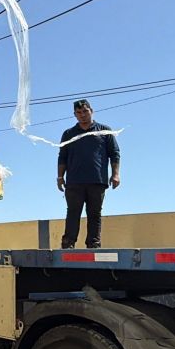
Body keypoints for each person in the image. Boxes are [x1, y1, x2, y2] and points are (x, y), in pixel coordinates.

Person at [57, 99, 121, 249]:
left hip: (97, 180)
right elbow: (62, 157)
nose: (82, 115)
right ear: (75, 115)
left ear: (92, 111)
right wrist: (60, 177)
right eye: (79, 112)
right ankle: (68, 243)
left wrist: (115, 174)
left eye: (85, 111)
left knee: (94, 213)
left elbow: (115, 153)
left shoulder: (104, 131)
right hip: (74, 182)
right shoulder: (68, 133)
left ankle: (94, 243)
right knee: (73, 213)